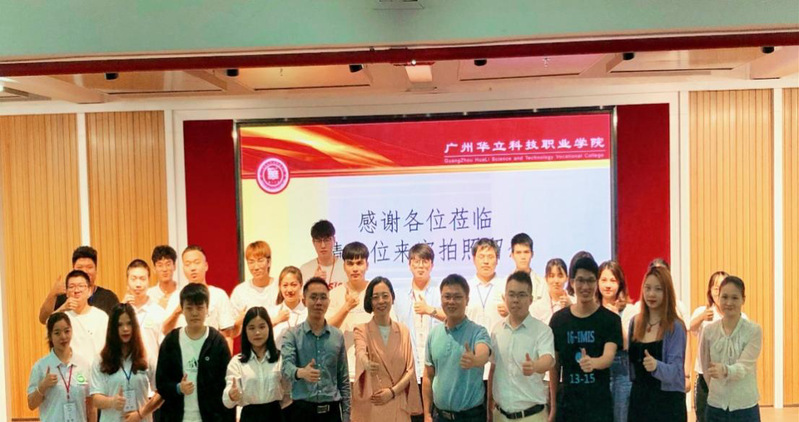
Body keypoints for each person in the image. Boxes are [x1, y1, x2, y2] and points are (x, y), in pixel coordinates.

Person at [548, 255, 621, 422]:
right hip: (568, 406)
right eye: (580, 280)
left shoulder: (610, 320)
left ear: (596, 283)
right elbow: (554, 366)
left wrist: (593, 363)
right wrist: (553, 407)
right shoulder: (559, 320)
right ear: (572, 282)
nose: (585, 286)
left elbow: (608, 357)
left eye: (590, 281)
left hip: (598, 408)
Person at [156, 283, 235, 422]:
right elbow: (161, 383)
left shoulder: (217, 342)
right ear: (182, 310)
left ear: (207, 309)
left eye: (199, 308)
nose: (194, 313)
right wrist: (178, 388)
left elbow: (226, 383)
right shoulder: (171, 341)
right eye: (189, 308)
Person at [352, 277, 422, 422]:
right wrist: (366, 363)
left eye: (385, 296)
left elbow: (410, 370)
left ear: (392, 298)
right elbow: (360, 351)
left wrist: (392, 392)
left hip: (398, 404)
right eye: (375, 297)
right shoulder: (362, 330)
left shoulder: (403, 330)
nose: (381, 301)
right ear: (370, 301)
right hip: (374, 405)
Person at [281, 277, 351, 422]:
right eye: (313, 297)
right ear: (304, 300)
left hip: (331, 413)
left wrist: (346, 415)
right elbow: (285, 367)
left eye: (323, 297)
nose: (318, 302)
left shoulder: (337, 336)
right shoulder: (292, 335)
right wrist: (300, 372)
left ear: (328, 302)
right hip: (301, 412)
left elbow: (343, 379)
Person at [424, 274, 491, 422]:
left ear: (467, 300)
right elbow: (428, 375)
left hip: (471, 417)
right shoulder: (434, 334)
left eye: (457, 297)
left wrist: (475, 360)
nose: (451, 302)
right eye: (447, 297)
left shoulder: (478, 332)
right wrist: (427, 414)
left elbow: (484, 353)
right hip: (440, 417)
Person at [487, 271, 554, 422]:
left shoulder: (542, 330)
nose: (516, 300)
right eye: (511, 294)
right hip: (500, 415)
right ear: (505, 297)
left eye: (521, 295)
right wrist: (489, 408)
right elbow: (493, 369)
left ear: (530, 299)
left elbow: (548, 360)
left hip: (532, 416)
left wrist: (535, 366)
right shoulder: (497, 330)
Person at [328, 241, 397, 382]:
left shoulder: (378, 292)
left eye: (359, 263)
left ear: (367, 265)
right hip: (343, 371)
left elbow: (393, 328)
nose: (355, 268)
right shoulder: (334, 294)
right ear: (344, 266)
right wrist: (346, 307)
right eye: (350, 263)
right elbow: (325, 330)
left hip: (374, 371)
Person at [626, 266, 687, 422]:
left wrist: (656, 366)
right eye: (647, 288)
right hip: (639, 400)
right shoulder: (635, 322)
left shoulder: (675, 327)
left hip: (667, 403)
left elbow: (676, 371)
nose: (651, 294)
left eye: (658, 289)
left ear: (667, 292)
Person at [393, 243, 445, 422]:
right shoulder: (399, 296)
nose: (420, 266)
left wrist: (430, 310)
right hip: (410, 369)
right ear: (409, 265)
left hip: (437, 369)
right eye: (416, 261)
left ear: (432, 264)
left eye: (425, 261)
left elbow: (454, 317)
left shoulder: (441, 291)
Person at [700, 276, 762, 422]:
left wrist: (725, 370)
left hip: (745, 407)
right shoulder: (709, 331)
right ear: (718, 298)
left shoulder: (754, 330)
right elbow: (705, 366)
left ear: (743, 300)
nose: (729, 303)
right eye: (724, 297)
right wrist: (716, 389)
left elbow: (744, 367)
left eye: (734, 298)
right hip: (715, 406)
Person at [91, 304, 163, 421]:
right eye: (120, 325)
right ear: (113, 329)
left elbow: (161, 393)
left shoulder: (147, 357)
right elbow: (95, 398)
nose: (125, 329)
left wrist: (140, 413)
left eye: (129, 323)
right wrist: (112, 402)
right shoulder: (101, 360)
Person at [162, 245, 236, 350]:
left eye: (197, 263)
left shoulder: (219, 295)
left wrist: (227, 359)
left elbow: (228, 335)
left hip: (211, 354)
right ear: (183, 269)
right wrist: (177, 312)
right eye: (187, 264)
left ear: (206, 266)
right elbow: (165, 331)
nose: (193, 268)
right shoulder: (176, 296)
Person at [27, 312, 96, 422]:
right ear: (50, 336)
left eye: (67, 331)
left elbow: (91, 406)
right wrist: (43, 386)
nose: (63, 337)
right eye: (57, 333)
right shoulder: (41, 367)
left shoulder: (83, 365)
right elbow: (31, 404)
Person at [223, 306, 286, 421]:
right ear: (245, 331)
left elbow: (289, 393)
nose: (257, 332)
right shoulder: (237, 362)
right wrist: (231, 394)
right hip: (249, 416)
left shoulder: (281, 359)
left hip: (275, 415)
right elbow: (227, 401)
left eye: (262, 327)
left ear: (269, 328)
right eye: (251, 328)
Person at [39, 246, 120, 324]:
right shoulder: (64, 295)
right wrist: (53, 294)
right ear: (73, 270)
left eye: (89, 267)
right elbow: (44, 320)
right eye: (80, 267)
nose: (84, 271)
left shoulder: (109, 298)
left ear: (96, 270)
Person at [689, 271, 731, 422]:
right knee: (703, 417)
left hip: (727, 376)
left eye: (723, 287)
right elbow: (690, 328)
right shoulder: (702, 312)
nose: (719, 292)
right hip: (704, 376)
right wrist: (702, 318)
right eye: (716, 288)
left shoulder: (736, 315)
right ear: (710, 291)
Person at [597, 260, 632, 422]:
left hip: (621, 371)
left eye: (613, 280)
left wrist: (616, 318)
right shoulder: (592, 309)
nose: (608, 285)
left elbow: (627, 344)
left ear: (620, 283)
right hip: (598, 370)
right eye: (604, 280)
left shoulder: (629, 310)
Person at [123, 259, 167, 370]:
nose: (138, 284)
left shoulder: (158, 312)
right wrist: (122, 308)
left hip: (152, 373)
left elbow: (164, 348)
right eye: (133, 279)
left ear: (149, 281)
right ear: (127, 281)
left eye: (142, 279)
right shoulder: (121, 312)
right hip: (125, 373)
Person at [231, 241, 279, 336]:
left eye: (260, 261)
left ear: (269, 262)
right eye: (251, 262)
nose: (256, 267)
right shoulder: (240, 291)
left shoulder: (280, 287)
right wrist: (238, 322)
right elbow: (232, 333)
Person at [62, 269, 110, 364]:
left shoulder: (101, 317)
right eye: (71, 287)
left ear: (89, 291)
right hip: (71, 370)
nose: (76, 290)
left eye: (81, 286)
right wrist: (63, 308)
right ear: (66, 292)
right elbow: (49, 323)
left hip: (97, 370)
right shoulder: (63, 318)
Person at [299, 220, 347, 290]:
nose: (323, 245)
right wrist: (313, 283)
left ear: (334, 240)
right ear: (313, 242)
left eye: (326, 240)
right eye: (318, 241)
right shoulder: (305, 269)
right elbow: (300, 295)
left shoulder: (345, 267)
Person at [270, 266, 308, 349]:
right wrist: (276, 321)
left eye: (293, 285)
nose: (289, 290)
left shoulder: (309, 314)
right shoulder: (272, 313)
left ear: (301, 285)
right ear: (280, 286)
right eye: (285, 285)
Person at [529, 258, 572, 325]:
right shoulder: (536, 308)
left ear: (567, 278)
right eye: (552, 276)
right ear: (546, 278)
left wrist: (570, 308)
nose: (556, 281)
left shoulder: (575, 303)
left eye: (560, 276)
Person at [508, 234, 547, 303]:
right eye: (518, 253)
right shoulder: (504, 283)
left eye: (526, 252)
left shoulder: (542, 283)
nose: (523, 257)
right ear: (512, 255)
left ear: (532, 254)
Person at [147, 245, 181, 310]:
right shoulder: (148, 295)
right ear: (154, 268)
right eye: (160, 265)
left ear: (174, 266)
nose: (164, 269)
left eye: (168, 264)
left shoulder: (183, 292)